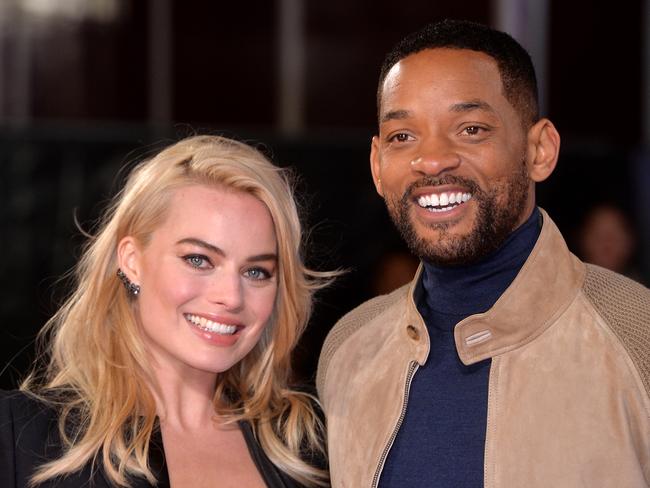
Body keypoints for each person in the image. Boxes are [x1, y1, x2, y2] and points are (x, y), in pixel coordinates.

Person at [317, 19, 650, 488]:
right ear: (377, 165)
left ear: (539, 150)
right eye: (402, 136)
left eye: (470, 129)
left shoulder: (639, 336)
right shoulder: (349, 350)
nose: (431, 161)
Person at [0, 135, 331, 488]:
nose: (231, 297)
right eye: (199, 260)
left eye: (256, 272)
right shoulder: (19, 435)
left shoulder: (310, 445)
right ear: (131, 261)